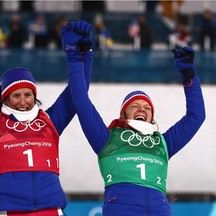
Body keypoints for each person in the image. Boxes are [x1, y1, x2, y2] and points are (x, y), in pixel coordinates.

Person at [0, 4, 93, 216]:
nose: (23, 101)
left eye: (28, 95)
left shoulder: (49, 121)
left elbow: (78, 92)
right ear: (5, 98)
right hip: (10, 211)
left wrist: (82, 54)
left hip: (51, 209)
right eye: (16, 95)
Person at [62, 21, 205, 215]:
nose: (142, 109)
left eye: (147, 108)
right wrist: (76, 57)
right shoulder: (106, 138)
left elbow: (196, 117)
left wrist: (189, 78)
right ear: (123, 114)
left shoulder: (163, 142)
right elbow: (80, 100)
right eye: (135, 106)